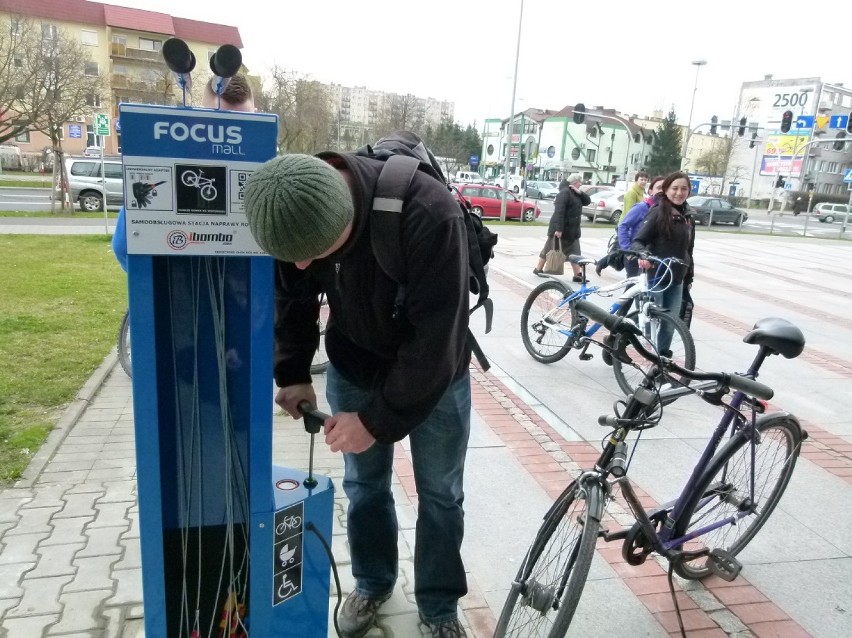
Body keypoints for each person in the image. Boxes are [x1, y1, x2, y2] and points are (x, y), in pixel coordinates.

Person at [243, 144, 472, 638]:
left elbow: (438, 338)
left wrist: (376, 423)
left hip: (437, 374)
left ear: (346, 216)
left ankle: (439, 605)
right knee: (364, 486)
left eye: (312, 253)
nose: (301, 264)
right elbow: (294, 295)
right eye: (291, 255)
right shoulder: (291, 212)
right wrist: (293, 373)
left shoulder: (429, 215)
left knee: (439, 493)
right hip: (354, 365)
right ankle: (372, 582)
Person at [111, 74, 256, 270]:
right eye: (218, 121)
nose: (226, 134)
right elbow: (125, 245)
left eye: (241, 125)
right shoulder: (170, 168)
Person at [630, 171, 695, 356]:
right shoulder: (658, 211)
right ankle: (624, 341)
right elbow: (638, 240)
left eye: (684, 189)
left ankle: (661, 359)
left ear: (689, 191)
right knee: (649, 323)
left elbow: (689, 250)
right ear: (666, 190)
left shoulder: (689, 216)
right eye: (675, 188)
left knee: (670, 323)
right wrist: (643, 254)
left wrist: (689, 277)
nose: (679, 193)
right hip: (656, 276)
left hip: (677, 278)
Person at [533, 173, 591, 282]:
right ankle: (538, 269)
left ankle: (577, 275)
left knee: (575, 253)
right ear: (575, 182)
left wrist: (580, 192)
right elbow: (559, 212)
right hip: (561, 230)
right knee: (549, 250)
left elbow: (587, 201)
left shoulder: (576, 193)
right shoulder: (564, 193)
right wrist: (559, 229)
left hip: (572, 231)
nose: (581, 184)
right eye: (580, 182)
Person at [616, 175, 665, 276]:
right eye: (659, 188)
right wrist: (628, 251)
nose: (662, 191)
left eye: (665, 188)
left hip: (652, 257)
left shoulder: (666, 211)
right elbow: (623, 226)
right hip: (636, 255)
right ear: (651, 191)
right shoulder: (642, 207)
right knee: (633, 288)